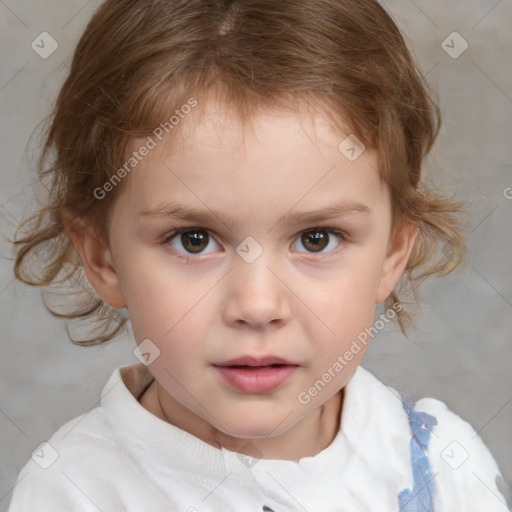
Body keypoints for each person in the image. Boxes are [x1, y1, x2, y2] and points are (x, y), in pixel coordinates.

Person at [8, 0, 510, 510]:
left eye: (316, 239)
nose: (257, 304)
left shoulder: (445, 469)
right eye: (194, 240)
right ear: (103, 257)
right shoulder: (71, 491)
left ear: (391, 254)